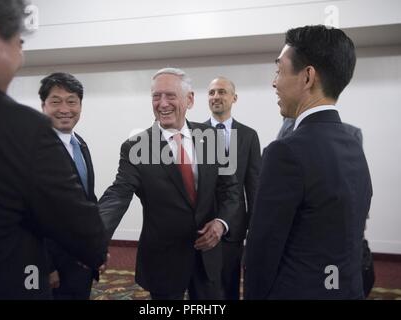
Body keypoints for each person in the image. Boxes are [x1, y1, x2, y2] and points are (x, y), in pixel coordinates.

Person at [0, 0, 108, 299]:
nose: (20, 57)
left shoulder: (82, 145)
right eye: (20, 43)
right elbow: (74, 220)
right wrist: (92, 249)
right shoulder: (20, 128)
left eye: (72, 102)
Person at [244, 25, 373, 299]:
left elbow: (262, 251)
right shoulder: (352, 144)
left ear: (307, 77)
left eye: (279, 70)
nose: (274, 82)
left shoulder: (285, 152)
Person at [98, 67, 240, 300]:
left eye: (170, 96)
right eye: (156, 96)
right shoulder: (136, 147)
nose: (162, 103)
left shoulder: (212, 137)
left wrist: (221, 223)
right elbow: (118, 194)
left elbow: (230, 190)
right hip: (163, 259)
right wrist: (95, 238)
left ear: (190, 99)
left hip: (208, 256)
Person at [277, 117, 375, 298]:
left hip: (334, 227)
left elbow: (356, 180)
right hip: (299, 234)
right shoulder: (285, 132)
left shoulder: (350, 133)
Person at [39, 72, 98, 300]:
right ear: (43, 105)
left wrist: (96, 247)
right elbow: (28, 216)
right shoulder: (34, 150)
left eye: (71, 101)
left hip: (81, 260)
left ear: (80, 105)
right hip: (52, 264)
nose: (65, 109)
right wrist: (46, 265)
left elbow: (87, 200)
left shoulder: (80, 144)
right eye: (56, 101)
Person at [204, 77, 261, 300]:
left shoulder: (248, 136)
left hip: (234, 227)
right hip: (202, 225)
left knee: (229, 285)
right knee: (203, 286)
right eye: (211, 93)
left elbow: (254, 185)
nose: (215, 97)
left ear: (234, 98)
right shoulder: (195, 134)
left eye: (221, 92)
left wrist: (255, 229)